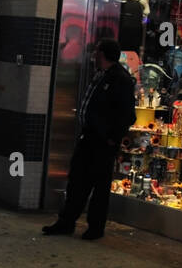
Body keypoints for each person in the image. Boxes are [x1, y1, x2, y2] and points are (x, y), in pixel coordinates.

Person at [43, 38, 136, 241]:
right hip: (89, 137)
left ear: (102, 55)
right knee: (77, 181)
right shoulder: (101, 75)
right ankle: (66, 221)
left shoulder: (120, 79)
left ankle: (95, 227)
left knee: (99, 186)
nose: (93, 55)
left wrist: (112, 138)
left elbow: (128, 115)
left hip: (102, 142)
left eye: (96, 52)